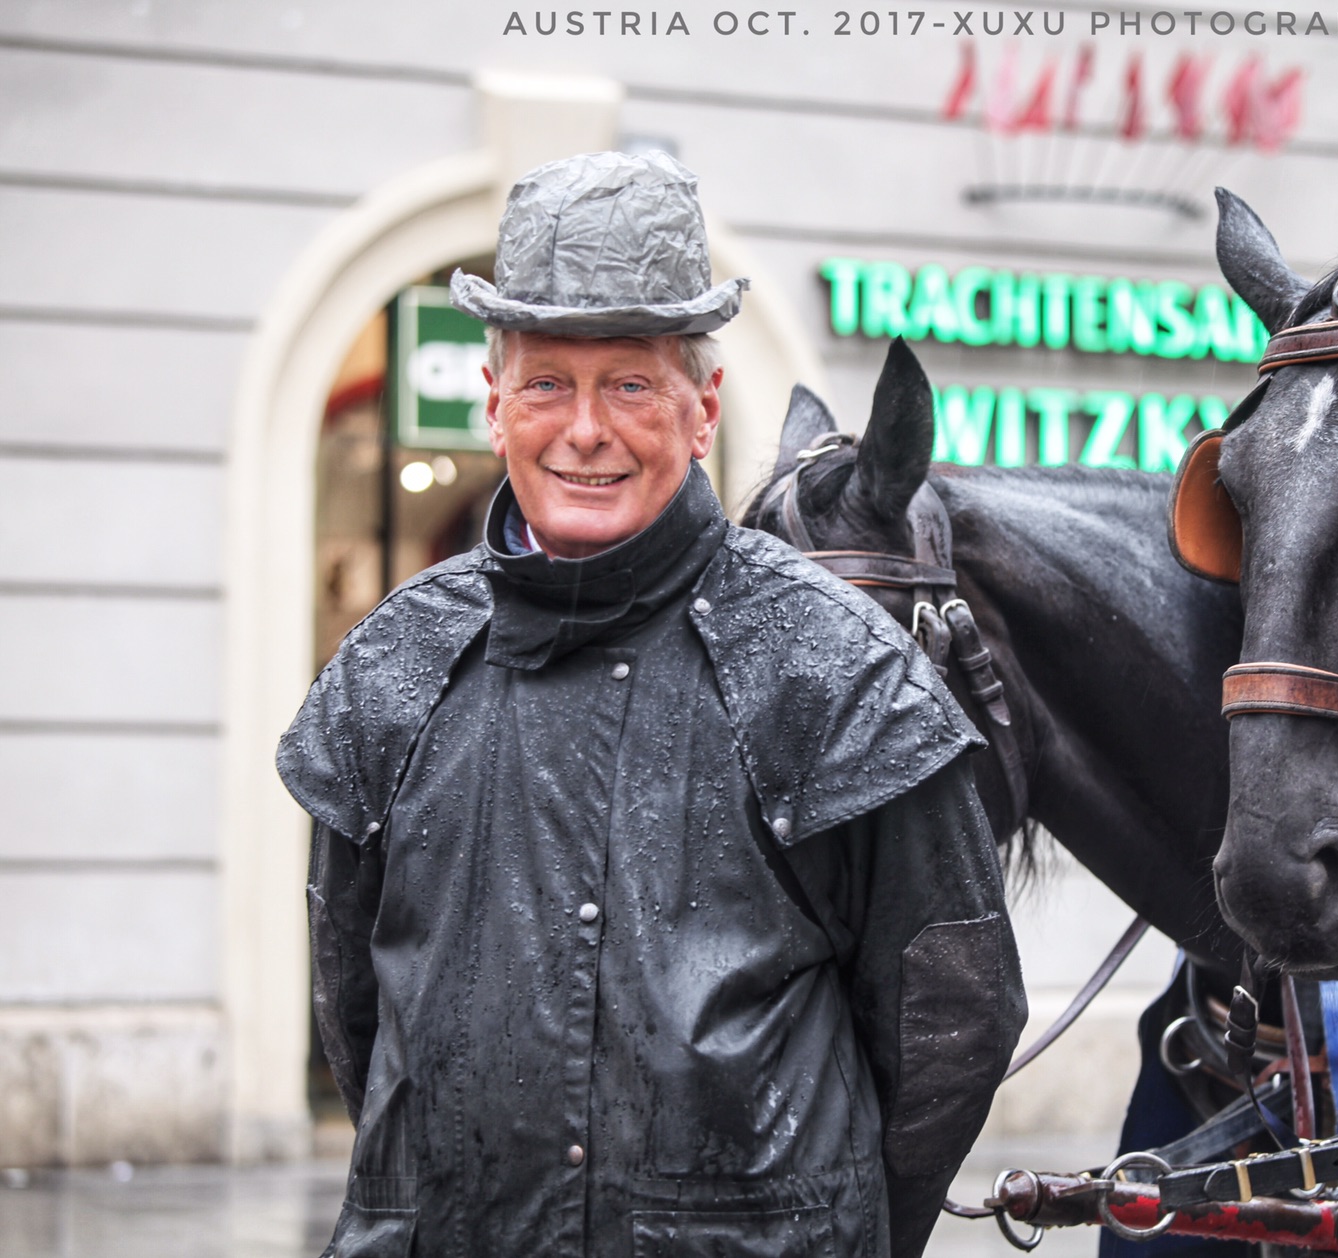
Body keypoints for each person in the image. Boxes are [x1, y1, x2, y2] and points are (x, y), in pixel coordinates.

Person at [279, 150, 1025, 1258]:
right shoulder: (397, 662)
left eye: (629, 384)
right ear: (494, 405)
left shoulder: (835, 667)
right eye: (546, 384)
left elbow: (951, 1021)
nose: (585, 429)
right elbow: (357, 1004)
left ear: (701, 406)